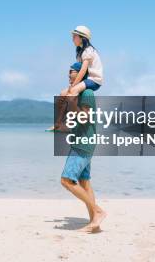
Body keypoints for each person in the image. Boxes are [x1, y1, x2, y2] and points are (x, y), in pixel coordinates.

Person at [57, 64, 106, 233]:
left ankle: (98, 211)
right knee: (84, 183)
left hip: (83, 143)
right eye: (69, 75)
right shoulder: (77, 94)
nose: (71, 78)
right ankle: (94, 223)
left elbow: (84, 117)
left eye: (74, 75)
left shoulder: (87, 93)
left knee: (67, 180)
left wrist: (71, 101)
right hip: (82, 141)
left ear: (83, 77)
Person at [61, 25, 104, 97]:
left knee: (73, 91)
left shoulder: (88, 50)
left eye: (74, 36)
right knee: (63, 93)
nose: (72, 39)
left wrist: (74, 85)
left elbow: (83, 70)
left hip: (94, 80)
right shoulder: (81, 51)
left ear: (82, 38)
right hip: (86, 79)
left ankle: (73, 108)